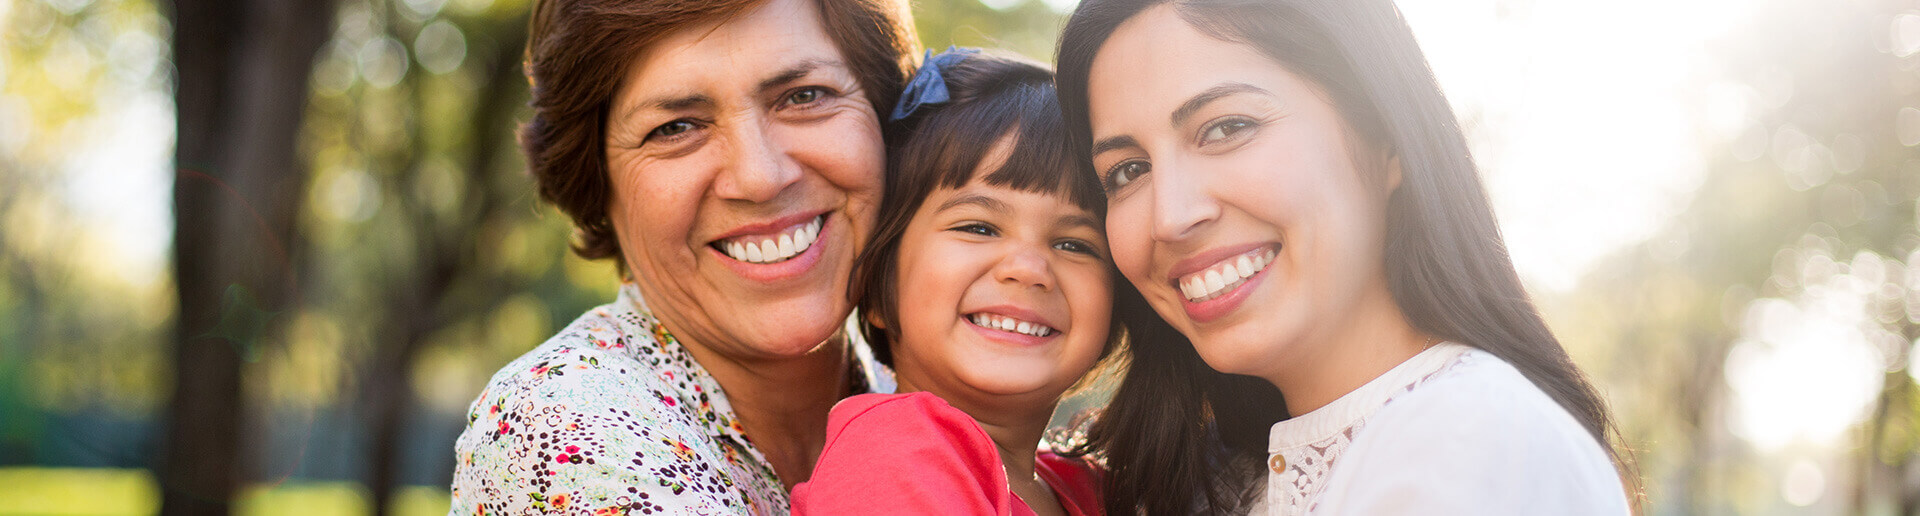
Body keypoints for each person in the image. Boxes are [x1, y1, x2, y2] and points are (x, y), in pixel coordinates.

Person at [1051, 0, 1638, 513]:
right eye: (1127, 171)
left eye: (1227, 127)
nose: (1171, 217)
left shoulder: (1478, 445)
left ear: (1386, 137)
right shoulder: (1222, 475)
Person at [447, 0, 916, 512]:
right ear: (597, 181)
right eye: (676, 128)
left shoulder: (937, 394)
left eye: (804, 96)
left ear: (890, 123)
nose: (760, 177)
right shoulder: (567, 426)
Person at [787, 49, 1116, 516]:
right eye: (978, 228)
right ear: (880, 285)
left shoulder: (1090, 488)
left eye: (1075, 244)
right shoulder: (893, 452)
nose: (1029, 268)